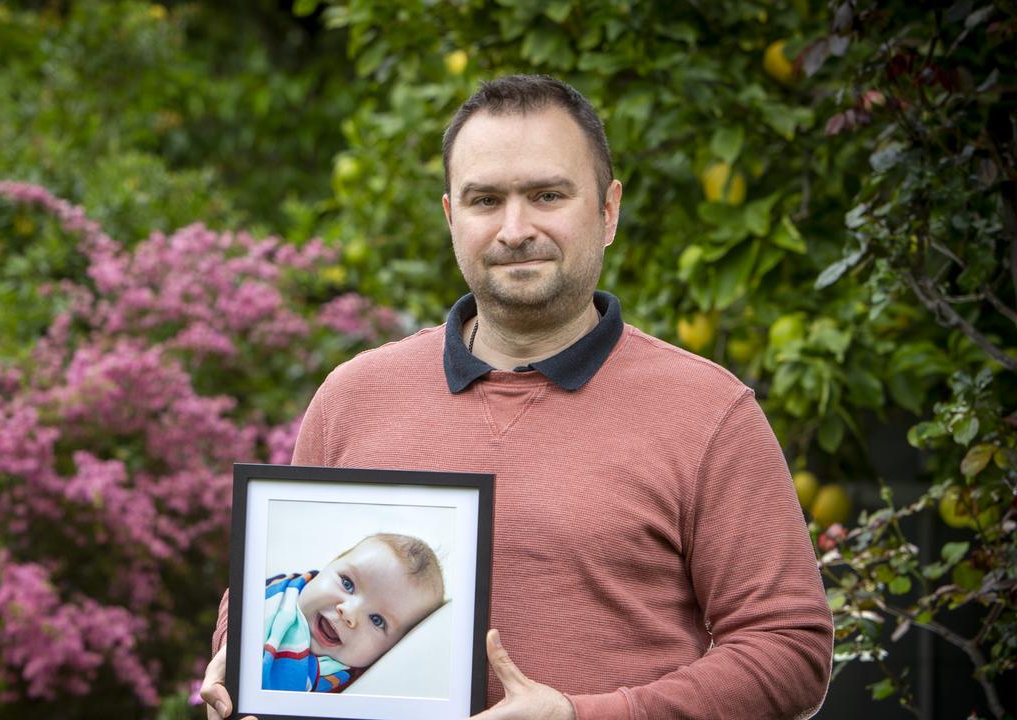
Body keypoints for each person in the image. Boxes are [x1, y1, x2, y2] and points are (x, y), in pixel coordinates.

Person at [202, 74, 833, 719]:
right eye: (484, 200)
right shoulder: (356, 394)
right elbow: (271, 572)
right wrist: (236, 658)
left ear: (609, 211)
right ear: (452, 215)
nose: (514, 228)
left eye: (547, 195)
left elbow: (788, 648)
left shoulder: (707, 412)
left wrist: (586, 717)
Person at [261, 533, 444, 693]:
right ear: (328, 566)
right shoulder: (267, 596)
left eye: (377, 620)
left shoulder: (351, 686)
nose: (348, 612)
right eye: (347, 583)